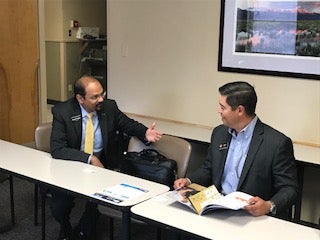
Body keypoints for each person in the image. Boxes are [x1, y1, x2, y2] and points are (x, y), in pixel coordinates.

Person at [50, 75, 162, 240]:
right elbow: (57, 149)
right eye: (94, 97)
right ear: (80, 98)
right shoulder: (63, 112)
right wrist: (90, 159)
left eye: (102, 94)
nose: (101, 99)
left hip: (103, 167)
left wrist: (145, 132)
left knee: (96, 202)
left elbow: (127, 123)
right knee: (59, 207)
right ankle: (65, 227)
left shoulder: (109, 107)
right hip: (73, 165)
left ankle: (84, 229)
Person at [174, 81, 298, 218]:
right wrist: (189, 180)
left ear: (240, 110)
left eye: (223, 107)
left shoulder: (276, 143)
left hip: (250, 215)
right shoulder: (219, 133)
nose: (219, 111)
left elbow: (289, 188)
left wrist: (269, 205)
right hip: (217, 207)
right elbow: (208, 169)